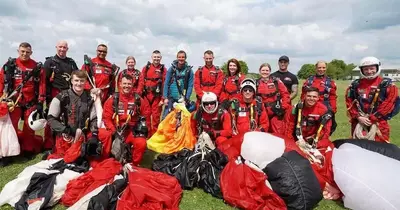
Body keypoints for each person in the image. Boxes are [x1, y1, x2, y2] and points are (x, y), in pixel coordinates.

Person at [46, 70, 109, 166]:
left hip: (84, 134)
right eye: (76, 80)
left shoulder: (90, 97)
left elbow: (94, 118)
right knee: (66, 161)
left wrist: (94, 134)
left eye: (82, 81)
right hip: (66, 135)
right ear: (71, 81)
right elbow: (50, 119)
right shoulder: (61, 97)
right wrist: (65, 130)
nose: (79, 83)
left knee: (105, 135)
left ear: (85, 82)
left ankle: (99, 160)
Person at [0, 42, 46, 158]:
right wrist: (2, 98)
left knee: (29, 127)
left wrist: (40, 101)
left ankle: (28, 150)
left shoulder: (37, 67)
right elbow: (1, 81)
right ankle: (10, 152)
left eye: (27, 52)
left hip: (30, 102)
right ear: (18, 51)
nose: (25, 54)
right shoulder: (10, 65)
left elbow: (42, 84)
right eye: (22, 51)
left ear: (31, 53)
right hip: (13, 102)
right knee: (11, 127)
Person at [345, 56, 399, 142]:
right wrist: (358, 116)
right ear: (362, 70)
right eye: (366, 69)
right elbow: (350, 102)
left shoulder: (386, 84)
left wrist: (374, 117)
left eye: (372, 68)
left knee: (380, 148)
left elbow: (390, 102)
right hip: (359, 122)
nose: (369, 71)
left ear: (377, 68)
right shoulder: (355, 85)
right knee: (358, 146)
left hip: (379, 123)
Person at [103, 74, 149, 166]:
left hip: (131, 131)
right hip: (116, 131)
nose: (126, 86)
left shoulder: (138, 100)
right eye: (124, 83)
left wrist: (144, 132)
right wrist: (113, 131)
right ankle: (107, 160)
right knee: (104, 135)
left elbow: (146, 116)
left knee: (141, 143)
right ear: (119, 84)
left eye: (129, 84)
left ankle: (134, 165)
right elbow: (106, 118)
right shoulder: (113, 99)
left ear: (132, 85)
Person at [43, 40, 79, 151]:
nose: (62, 49)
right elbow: (44, 81)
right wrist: (45, 97)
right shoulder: (50, 62)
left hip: (68, 94)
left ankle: (63, 142)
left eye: (64, 47)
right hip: (55, 94)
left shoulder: (71, 62)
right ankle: (49, 144)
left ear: (67, 49)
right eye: (60, 47)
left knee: (67, 119)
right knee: (52, 118)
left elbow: (77, 75)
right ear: (56, 47)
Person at [301, 61, 337, 134]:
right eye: (319, 67)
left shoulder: (330, 82)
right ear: (316, 68)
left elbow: (333, 97)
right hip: (311, 109)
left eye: (323, 67)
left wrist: (332, 110)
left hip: (325, 110)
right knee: (308, 129)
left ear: (326, 68)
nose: (321, 69)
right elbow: (303, 95)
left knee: (325, 131)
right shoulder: (309, 81)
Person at [256, 63, 291, 135]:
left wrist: (283, 107)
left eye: (267, 70)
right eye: (263, 70)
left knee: (277, 132)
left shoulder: (276, 82)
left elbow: (285, 94)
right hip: (261, 112)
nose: (265, 72)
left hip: (275, 111)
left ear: (270, 71)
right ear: (259, 71)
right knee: (261, 132)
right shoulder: (256, 83)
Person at [139, 50, 167, 136]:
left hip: (157, 97)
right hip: (146, 96)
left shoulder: (163, 69)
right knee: (146, 116)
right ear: (152, 57)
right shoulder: (146, 68)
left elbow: (165, 84)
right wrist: (139, 95)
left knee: (156, 117)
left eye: (158, 57)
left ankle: (155, 136)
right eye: (155, 57)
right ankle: (146, 135)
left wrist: (163, 98)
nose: (156, 59)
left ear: (161, 58)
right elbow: (141, 81)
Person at [162, 50, 194, 120]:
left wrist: (186, 98)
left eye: (183, 57)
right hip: (171, 98)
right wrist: (165, 97)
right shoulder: (172, 69)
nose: (181, 59)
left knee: (184, 120)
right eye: (179, 57)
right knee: (165, 119)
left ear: (185, 58)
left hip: (183, 99)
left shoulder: (189, 71)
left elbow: (190, 86)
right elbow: (166, 83)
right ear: (177, 58)